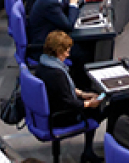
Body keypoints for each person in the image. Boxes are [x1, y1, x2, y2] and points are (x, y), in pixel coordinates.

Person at [35, 31, 104, 163]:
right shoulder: (57, 74)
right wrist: (89, 104)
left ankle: (88, 151)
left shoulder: (44, 63)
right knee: (97, 110)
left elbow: (64, 90)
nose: (68, 54)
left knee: (91, 96)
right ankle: (88, 152)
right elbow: (68, 102)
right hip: (60, 117)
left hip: (50, 108)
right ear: (57, 51)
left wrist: (84, 94)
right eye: (65, 51)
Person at [27, 0, 97, 66]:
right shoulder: (49, 1)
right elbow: (68, 26)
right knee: (86, 52)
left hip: (53, 36)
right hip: (44, 47)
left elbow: (65, 6)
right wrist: (73, 3)